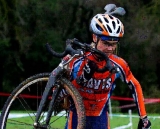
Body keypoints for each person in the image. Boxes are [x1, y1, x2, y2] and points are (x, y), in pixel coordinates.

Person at [63, 4, 151, 129]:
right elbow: (61, 91)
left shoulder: (118, 63)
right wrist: (81, 79)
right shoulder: (78, 59)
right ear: (95, 37)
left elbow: (135, 85)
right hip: (77, 115)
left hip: (100, 118)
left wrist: (144, 117)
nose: (110, 48)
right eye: (105, 43)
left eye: (114, 44)